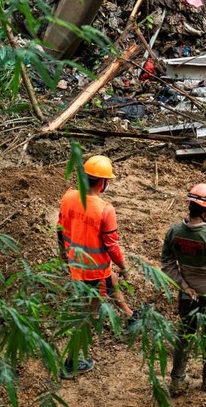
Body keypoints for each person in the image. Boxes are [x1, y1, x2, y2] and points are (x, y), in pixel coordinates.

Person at [57, 155, 136, 379]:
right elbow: (112, 245)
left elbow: (60, 229)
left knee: (112, 280)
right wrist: (124, 266)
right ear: (102, 183)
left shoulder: (69, 197)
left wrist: (63, 256)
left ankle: (130, 315)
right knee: (86, 316)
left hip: (76, 263)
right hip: (94, 271)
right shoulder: (105, 209)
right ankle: (71, 362)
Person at [162, 183, 206, 396]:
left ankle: (177, 379)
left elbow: (166, 264)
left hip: (187, 294)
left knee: (185, 332)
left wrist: (184, 285)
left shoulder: (173, 231)